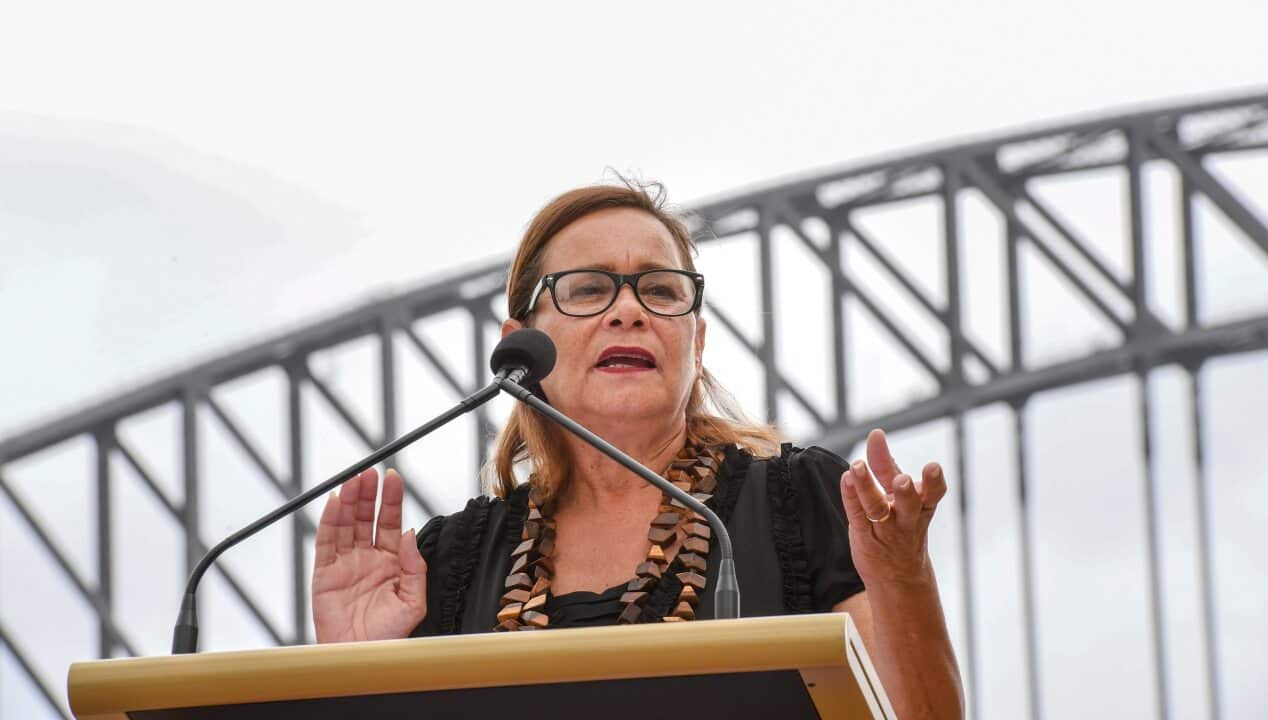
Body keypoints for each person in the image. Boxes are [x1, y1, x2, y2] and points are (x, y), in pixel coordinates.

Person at [311, 180, 963, 719]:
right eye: (588, 289)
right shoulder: (449, 564)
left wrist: (901, 579)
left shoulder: (803, 501)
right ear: (519, 345)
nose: (628, 311)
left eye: (660, 290)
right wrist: (354, 676)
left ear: (696, 343)